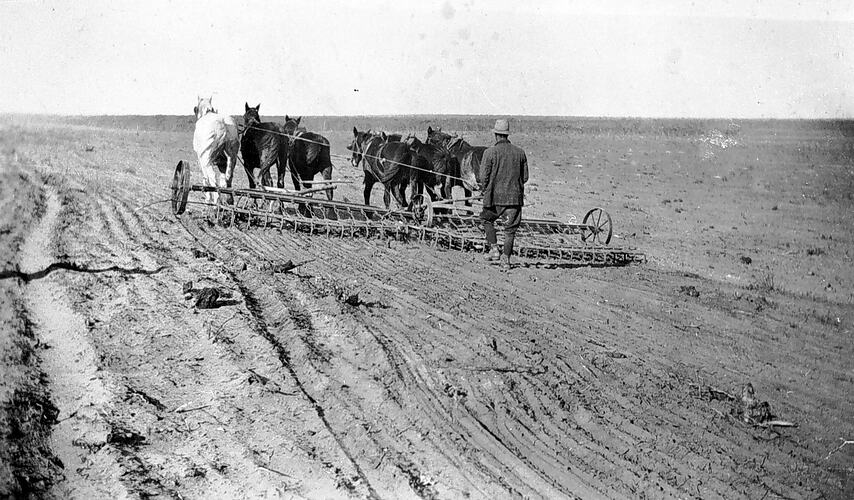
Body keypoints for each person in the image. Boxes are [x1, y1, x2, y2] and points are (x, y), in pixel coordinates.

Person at [479, 119, 528, 270]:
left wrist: (485, 189)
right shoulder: (520, 153)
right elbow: (525, 177)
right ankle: (506, 260)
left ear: (496, 135)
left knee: (486, 219)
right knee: (510, 230)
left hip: (495, 199)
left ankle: (494, 249)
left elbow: (483, 177)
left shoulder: (489, 153)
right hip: (514, 199)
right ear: (507, 135)